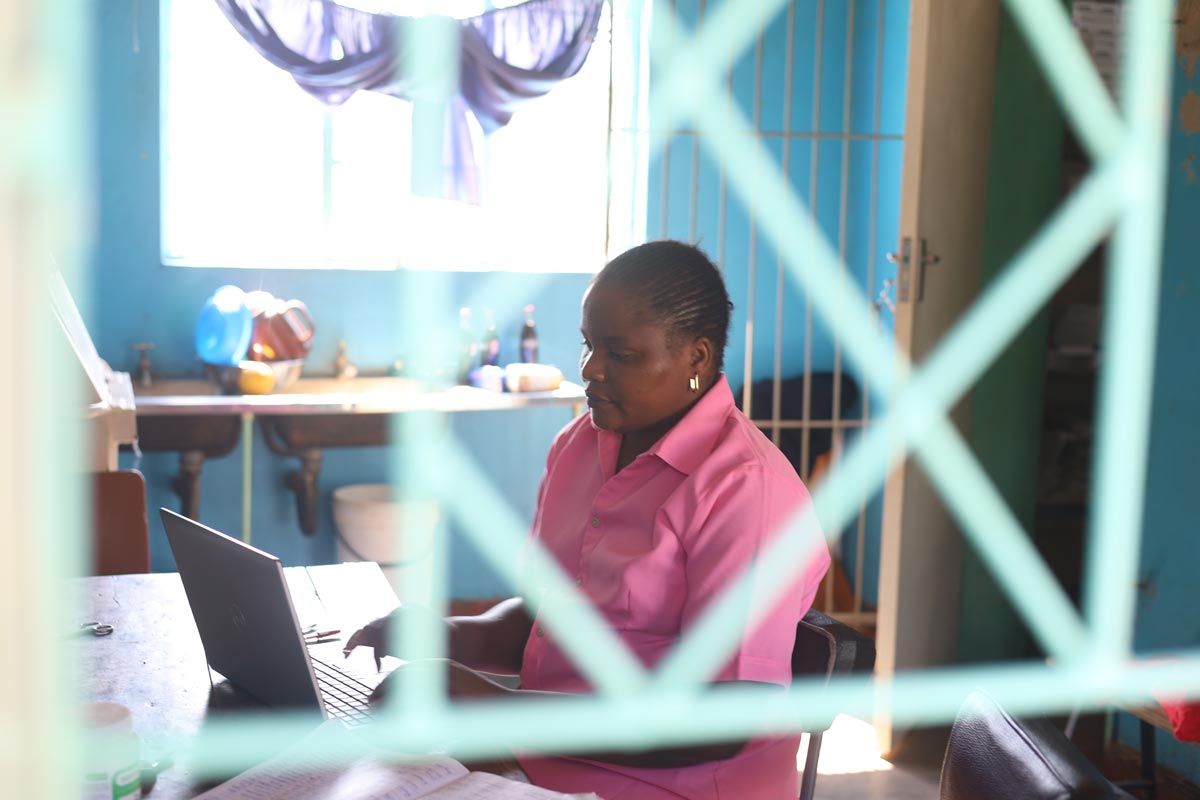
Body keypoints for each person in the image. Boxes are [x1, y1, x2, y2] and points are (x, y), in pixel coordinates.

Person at [346, 240, 831, 799]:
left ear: (696, 358)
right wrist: (450, 637)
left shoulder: (746, 489)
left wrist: (496, 706)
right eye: (588, 344)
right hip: (544, 763)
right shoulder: (580, 446)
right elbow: (548, 618)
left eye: (621, 355)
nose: (590, 369)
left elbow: (725, 719)